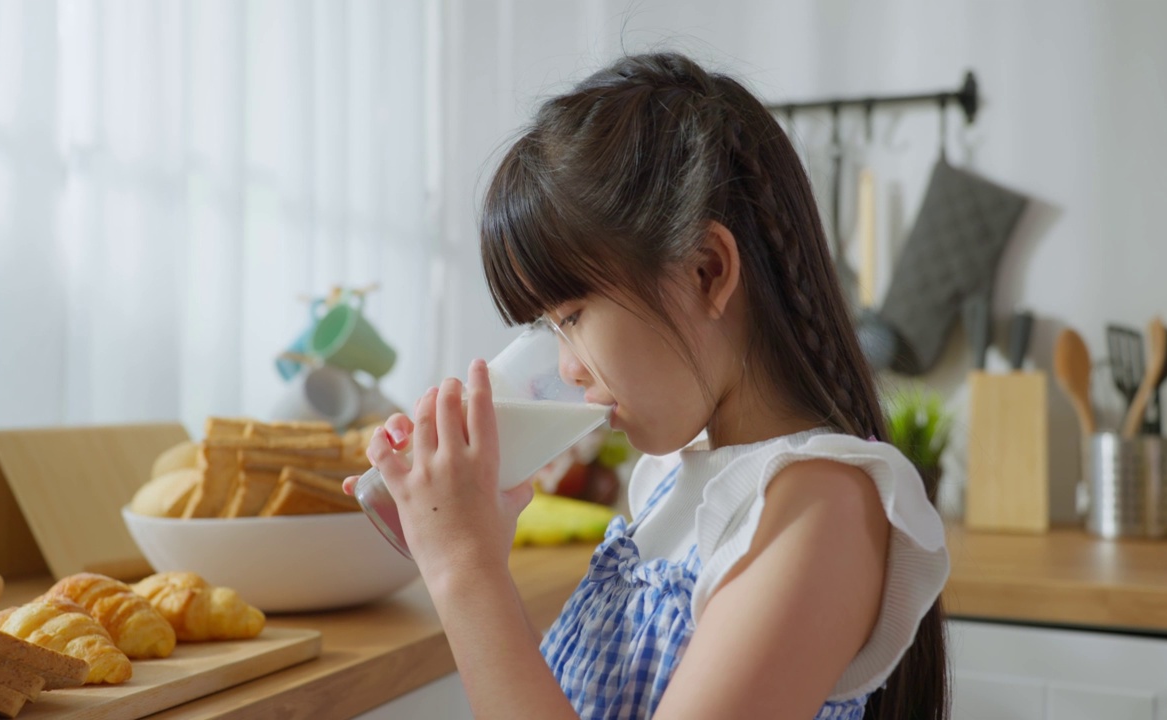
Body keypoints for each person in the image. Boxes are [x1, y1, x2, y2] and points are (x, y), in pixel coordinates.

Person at [344, 52, 950, 720]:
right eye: (549, 328)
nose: (566, 367)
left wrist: (465, 572)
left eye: (571, 317)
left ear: (706, 271)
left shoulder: (822, 507)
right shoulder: (666, 481)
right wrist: (475, 540)